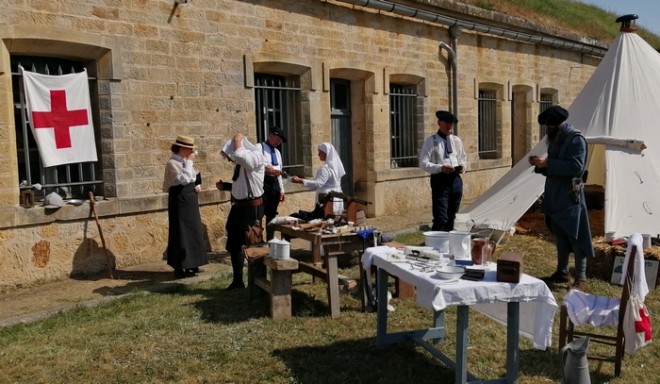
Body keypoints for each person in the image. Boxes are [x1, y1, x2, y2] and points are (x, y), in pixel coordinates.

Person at [529, 105, 595, 291]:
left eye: (550, 127)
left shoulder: (575, 139)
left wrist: (548, 162)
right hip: (554, 194)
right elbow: (555, 164)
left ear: (558, 124)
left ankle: (581, 278)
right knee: (561, 234)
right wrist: (539, 164)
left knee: (576, 235)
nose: (548, 130)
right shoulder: (557, 137)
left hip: (569, 195)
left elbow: (576, 167)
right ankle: (562, 271)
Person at [216, 133, 266, 290]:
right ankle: (238, 281)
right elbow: (242, 187)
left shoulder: (256, 156)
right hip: (238, 208)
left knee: (253, 242)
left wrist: (237, 139)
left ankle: (258, 281)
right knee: (234, 244)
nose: (230, 159)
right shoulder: (241, 163)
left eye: (230, 156)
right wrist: (226, 186)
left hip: (251, 209)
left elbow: (241, 156)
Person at [162, 135, 208, 279]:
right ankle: (180, 266)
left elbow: (193, 176)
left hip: (190, 199)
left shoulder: (185, 161)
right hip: (179, 200)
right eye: (189, 149)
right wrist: (189, 162)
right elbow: (183, 179)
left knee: (193, 231)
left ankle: (193, 263)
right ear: (182, 149)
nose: (192, 152)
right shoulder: (172, 163)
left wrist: (197, 184)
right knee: (180, 233)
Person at [419, 110, 468, 231]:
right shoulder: (431, 141)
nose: (449, 126)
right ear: (439, 123)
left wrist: (462, 167)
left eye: (451, 124)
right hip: (440, 180)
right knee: (441, 217)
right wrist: (440, 168)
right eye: (446, 123)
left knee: (453, 216)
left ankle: (448, 243)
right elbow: (423, 163)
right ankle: (435, 244)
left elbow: (463, 158)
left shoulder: (456, 141)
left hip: (455, 180)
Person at [291, 142, 346, 217]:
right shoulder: (336, 168)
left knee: (326, 218)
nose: (318, 155)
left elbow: (318, 184)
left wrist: (300, 180)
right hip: (336, 197)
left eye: (320, 153)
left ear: (325, 154)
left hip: (327, 199)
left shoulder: (325, 169)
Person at [260, 127, 286, 240]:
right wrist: (266, 169)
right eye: (277, 139)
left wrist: (282, 189)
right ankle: (257, 239)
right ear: (270, 135)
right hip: (262, 182)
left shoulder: (277, 152)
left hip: (274, 183)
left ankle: (270, 239)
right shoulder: (259, 148)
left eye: (280, 141)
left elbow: (279, 171)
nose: (278, 142)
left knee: (271, 213)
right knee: (259, 213)